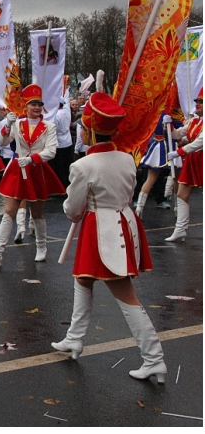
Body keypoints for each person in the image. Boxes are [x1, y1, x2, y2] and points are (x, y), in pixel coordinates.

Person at [51, 92, 164, 383]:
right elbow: (126, 194)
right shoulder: (127, 158)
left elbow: (73, 209)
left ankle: (154, 359)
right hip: (123, 223)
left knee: (125, 294)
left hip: (104, 230)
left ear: (88, 130)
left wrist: (75, 207)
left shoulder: (82, 166)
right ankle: (74, 338)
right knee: (83, 279)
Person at [0, 84, 65, 267]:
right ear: (26, 106)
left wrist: (32, 159)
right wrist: (6, 125)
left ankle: (41, 247)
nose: (36, 107)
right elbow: (2, 142)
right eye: (33, 104)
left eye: (39, 104)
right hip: (17, 169)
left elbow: (51, 151)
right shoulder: (18, 123)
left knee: (37, 213)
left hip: (37, 170)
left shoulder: (49, 126)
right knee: (8, 212)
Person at [164, 89, 203, 242]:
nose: (197, 104)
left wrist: (179, 152)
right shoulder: (193, 121)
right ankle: (180, 229)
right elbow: (178, 135)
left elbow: (200, 142)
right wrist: (170, 126)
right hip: (193, 159)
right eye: (197, 101)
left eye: (201, 101)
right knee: (181, 194)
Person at [135, 109, 183, 216]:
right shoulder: (170, 112)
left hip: (158, 144)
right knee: (175, 179)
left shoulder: (155, 111)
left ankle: (139, 208)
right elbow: (178, 130)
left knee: (152, 179)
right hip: (167, 146)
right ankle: (178, 208)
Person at [49, 97, 74, 187]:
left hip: (59, 143)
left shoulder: (56, 115)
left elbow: (53, 130)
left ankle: (62, 186)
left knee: (60, 167)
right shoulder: (66, 111)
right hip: (68, 141)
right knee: (67, 165)